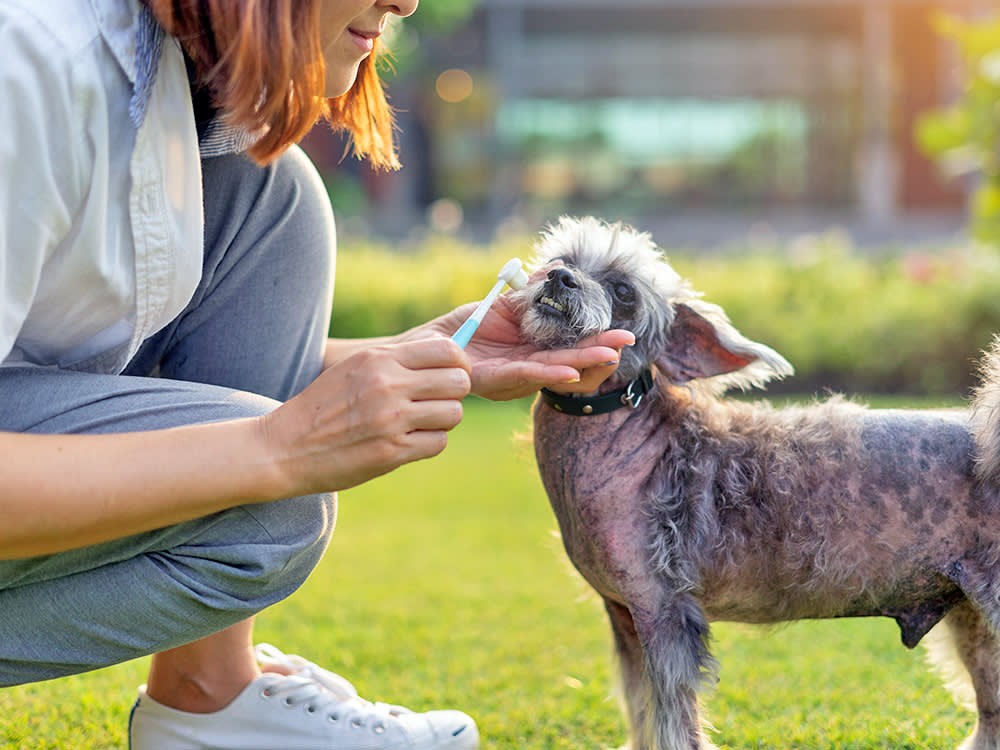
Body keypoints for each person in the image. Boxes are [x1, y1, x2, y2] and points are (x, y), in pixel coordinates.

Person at [0, 0, 633, 747]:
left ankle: (207, 700)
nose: (405, 3)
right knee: (267, 513)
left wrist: (397, 360)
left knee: (271, 200)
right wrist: (277, 450)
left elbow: (80, 358)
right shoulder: (34, 64)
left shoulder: (166, 95)